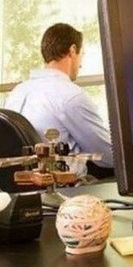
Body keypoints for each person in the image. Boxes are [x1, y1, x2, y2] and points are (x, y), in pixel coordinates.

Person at [4, 23, 114, 176]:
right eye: (82, 55)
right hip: (68, 185)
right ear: (72, 50)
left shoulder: (16, 92)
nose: (81, 65)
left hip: (19, 183)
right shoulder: (72, 96)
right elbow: (109, 156)